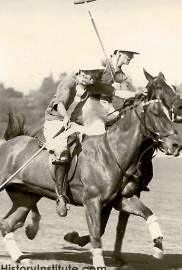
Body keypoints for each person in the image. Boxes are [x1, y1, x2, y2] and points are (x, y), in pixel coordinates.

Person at [44, 61, 135, 217]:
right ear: (82, 72)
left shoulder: (92, 85)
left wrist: (142, 94)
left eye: (96, 74)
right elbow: (59, 103)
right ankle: (60, 197)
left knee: (95, 144)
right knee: (62, 152)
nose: (96, 77)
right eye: (93, 74)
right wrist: (65, 117)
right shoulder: (69, 82)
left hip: (72, 124)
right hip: (55, 122)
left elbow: (117, 93)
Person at [82, 46, 142, 134]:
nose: (132, 57)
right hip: (93, 104)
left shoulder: (122, 76)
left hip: (108, 107)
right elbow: (86, 83)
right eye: (130, 53)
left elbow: (124, 96)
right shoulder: (102, 64)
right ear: (119, 52)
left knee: (127, 127)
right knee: (98, 132)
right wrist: (108, 87)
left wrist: (138, 94)